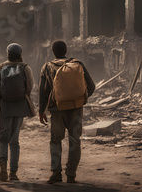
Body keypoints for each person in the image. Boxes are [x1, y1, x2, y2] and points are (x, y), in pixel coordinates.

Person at [38, 40, 95, 184]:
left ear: (53, 52)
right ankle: (71, 175)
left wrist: (41, 111)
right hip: (76, 108)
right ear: (66, 50)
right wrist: (81, 99)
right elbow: (92, 86)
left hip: (57, 109)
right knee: (75, 141)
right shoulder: (78, 64)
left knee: (56, 141)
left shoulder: (47, 67)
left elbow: (43, 92)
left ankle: (56, 173)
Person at [0, 43, 34, 181]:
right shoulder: (26, 68)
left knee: (3, 139)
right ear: (20, 54)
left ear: (7, 54)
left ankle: (3, 167)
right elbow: (29, 86)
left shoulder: (0, 68)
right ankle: (13, 173)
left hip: (5, 106)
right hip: (20, 106)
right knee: (14, 141)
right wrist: (21, 96)